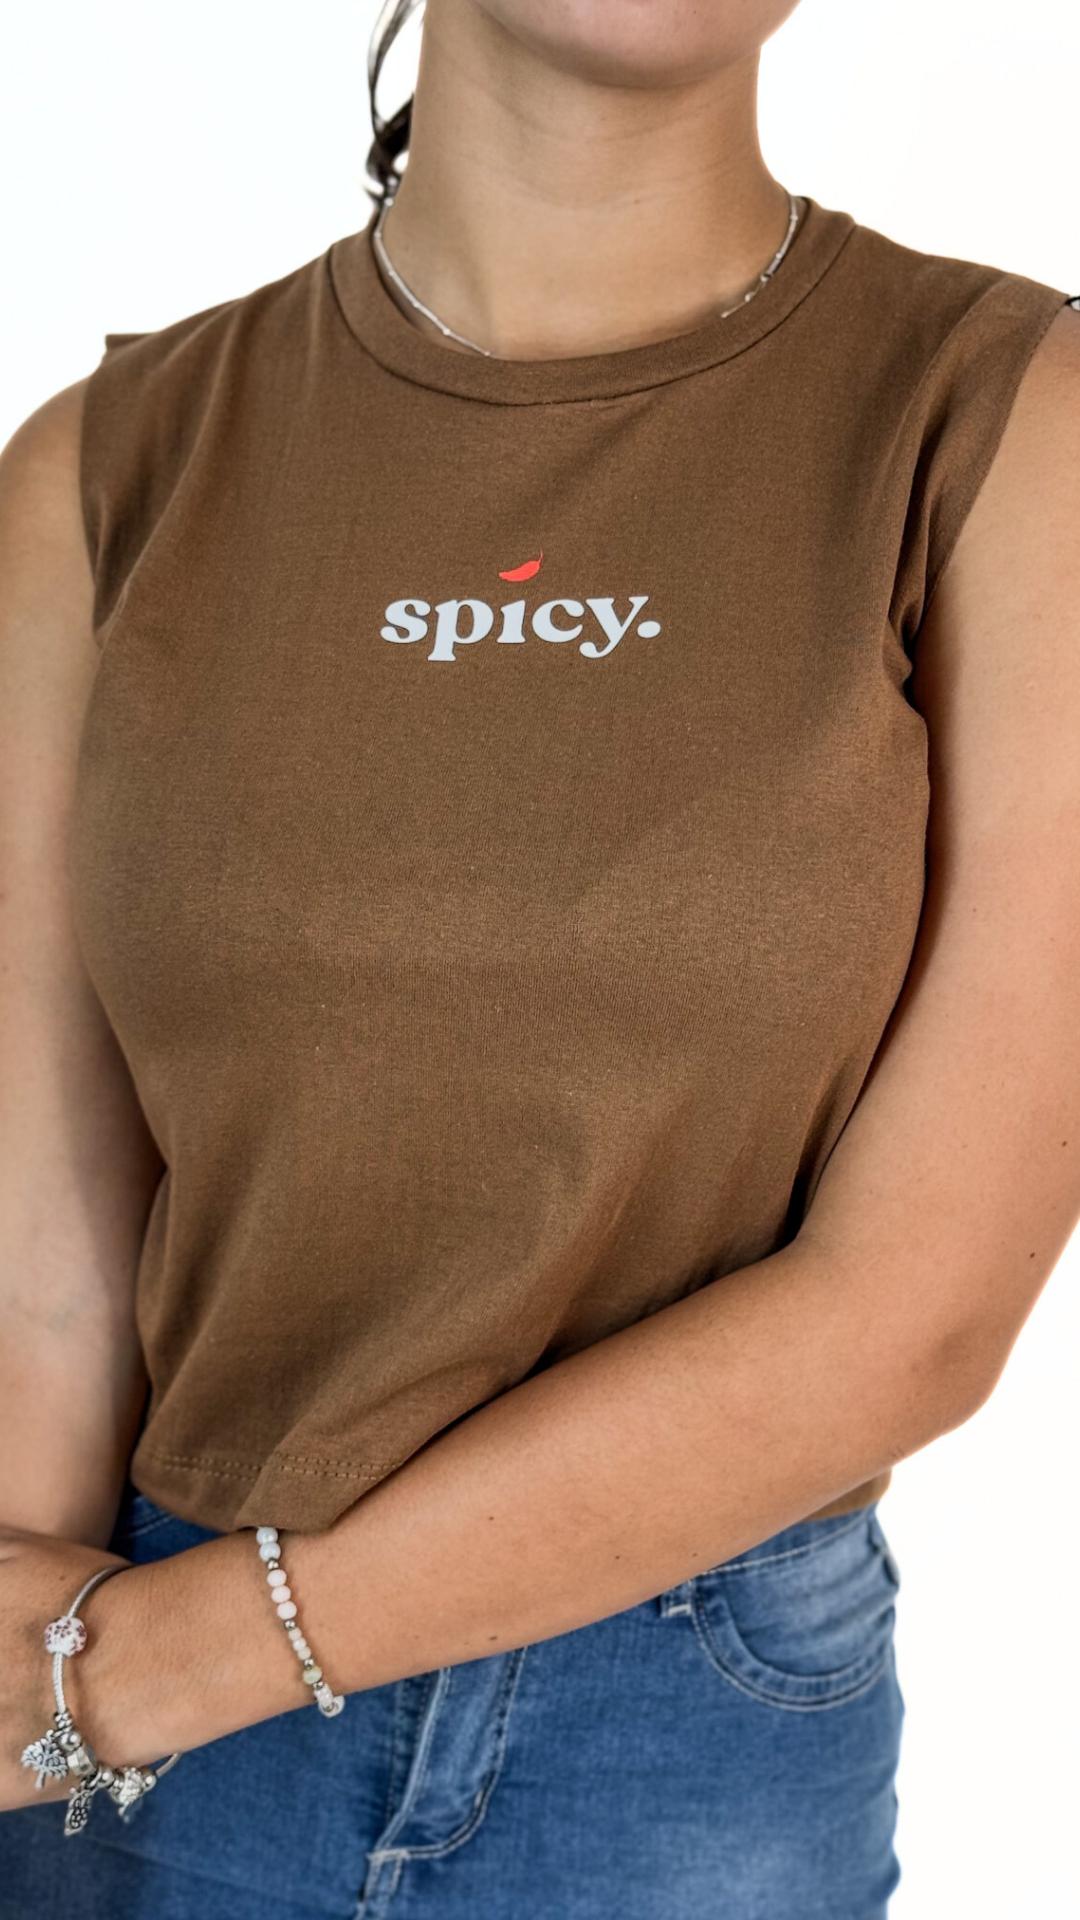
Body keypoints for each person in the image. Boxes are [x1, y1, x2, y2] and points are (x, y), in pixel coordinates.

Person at [1, 0, 1078, 1912]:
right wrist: (36, 1677)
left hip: (675, 1752)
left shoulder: (997, 414)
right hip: (124, 1729)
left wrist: (183, 1661)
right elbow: (50, 1279)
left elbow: (921, 1305)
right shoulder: (108, 466)